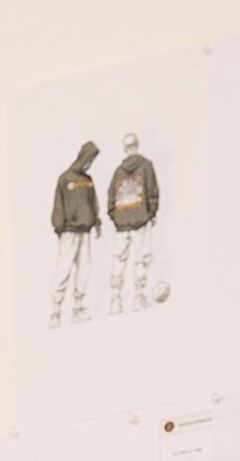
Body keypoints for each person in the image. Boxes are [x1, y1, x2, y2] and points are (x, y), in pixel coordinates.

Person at [105, 133, 164, 311]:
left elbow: (110, 197)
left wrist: (115, 218)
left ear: (125, 149)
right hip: (140, 218)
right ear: (137, 146)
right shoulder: (146, 166)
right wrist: (151, 213)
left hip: (122, 222)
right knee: (142, 257)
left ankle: (115, 299)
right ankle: (138, 297)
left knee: (118, 259)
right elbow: (153, 191)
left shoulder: (118, 171)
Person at [48, 139, 101, 324]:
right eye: (88, 159)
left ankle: (78, 307)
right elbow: (58, 204)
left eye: (92, 161)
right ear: (82, 157)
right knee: (64, 269)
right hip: (69, 231)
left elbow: (94, 202)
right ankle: (56, 310)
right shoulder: (65, 178)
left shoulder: (88, 181)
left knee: (84, 269)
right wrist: (59, 227)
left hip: (85, 232)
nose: (89, 164)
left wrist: (96, 222)